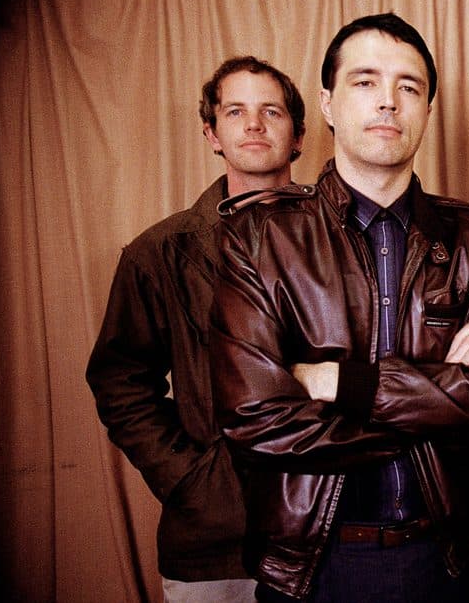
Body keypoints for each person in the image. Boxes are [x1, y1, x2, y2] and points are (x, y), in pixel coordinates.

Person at [209, 12, 469, 603]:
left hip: (449, 561)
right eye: (365, 81)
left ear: (427, 109)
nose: (388, 101)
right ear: (327, 104)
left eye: (408, 86)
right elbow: (254, 420)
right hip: (312, 568)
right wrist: (439, 397)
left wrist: (340, 384)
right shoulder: (257, 238)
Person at [86, 55, 306, 602]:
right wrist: (193, 479)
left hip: (332, 532)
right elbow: (119, 381)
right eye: (235, 111)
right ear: (211, 133)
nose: (253, 124)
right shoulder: (160, 253)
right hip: (216, 545)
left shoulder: (346, 238)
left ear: (299, 136)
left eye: (271, 111)